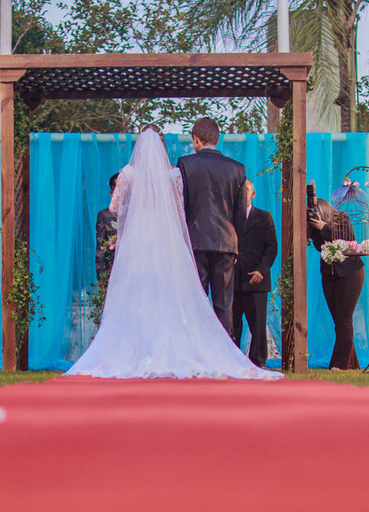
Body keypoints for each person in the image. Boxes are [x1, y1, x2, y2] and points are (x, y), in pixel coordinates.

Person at [66, 127, 279, 380]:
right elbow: (181, 211)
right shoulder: (174, 174)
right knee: (175, 300)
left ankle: (135, 351)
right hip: (169, 243)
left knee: (135, 298)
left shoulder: (129, 174)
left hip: (137, 243)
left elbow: (114, 207)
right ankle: (209, 354)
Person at [177, 116, 247, 336]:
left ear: (196, 139)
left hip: (195, 242)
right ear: (216, 139)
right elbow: (241, 213)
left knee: (195, 302)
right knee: (224, 305)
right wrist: (236, 241)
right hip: (226, 243)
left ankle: (197, 354)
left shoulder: (186, 164)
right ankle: (224, 357)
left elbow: (182, 206)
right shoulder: (237, 169)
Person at [308, 193, 364, 370]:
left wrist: (325, 227)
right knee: (339, 321)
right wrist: (316, 229)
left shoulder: (342, 219)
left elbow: (346, 241)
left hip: (350, 273)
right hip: (329, 274)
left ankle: (339, 365)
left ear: (323, 213)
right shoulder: (315, 229)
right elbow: (319, 247)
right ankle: (352, 363)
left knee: (343, 319)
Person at [232, 180, 277, 367]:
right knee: (232, 324)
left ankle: (258, 362)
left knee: (257, 324)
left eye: (246, 191)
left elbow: (272, 247)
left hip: (255, 280)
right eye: (240, 191)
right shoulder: (229, 216)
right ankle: (231, 360)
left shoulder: (264, 217)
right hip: (233, 279)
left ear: (253, 194)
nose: (243, 194)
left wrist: (262, 270)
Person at [95, 173, 119, 279]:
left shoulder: (140, 215)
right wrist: (102, 283)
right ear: (111, 193)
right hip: (115, 274)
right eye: (118, 191)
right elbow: (101, 252)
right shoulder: (105, 216)